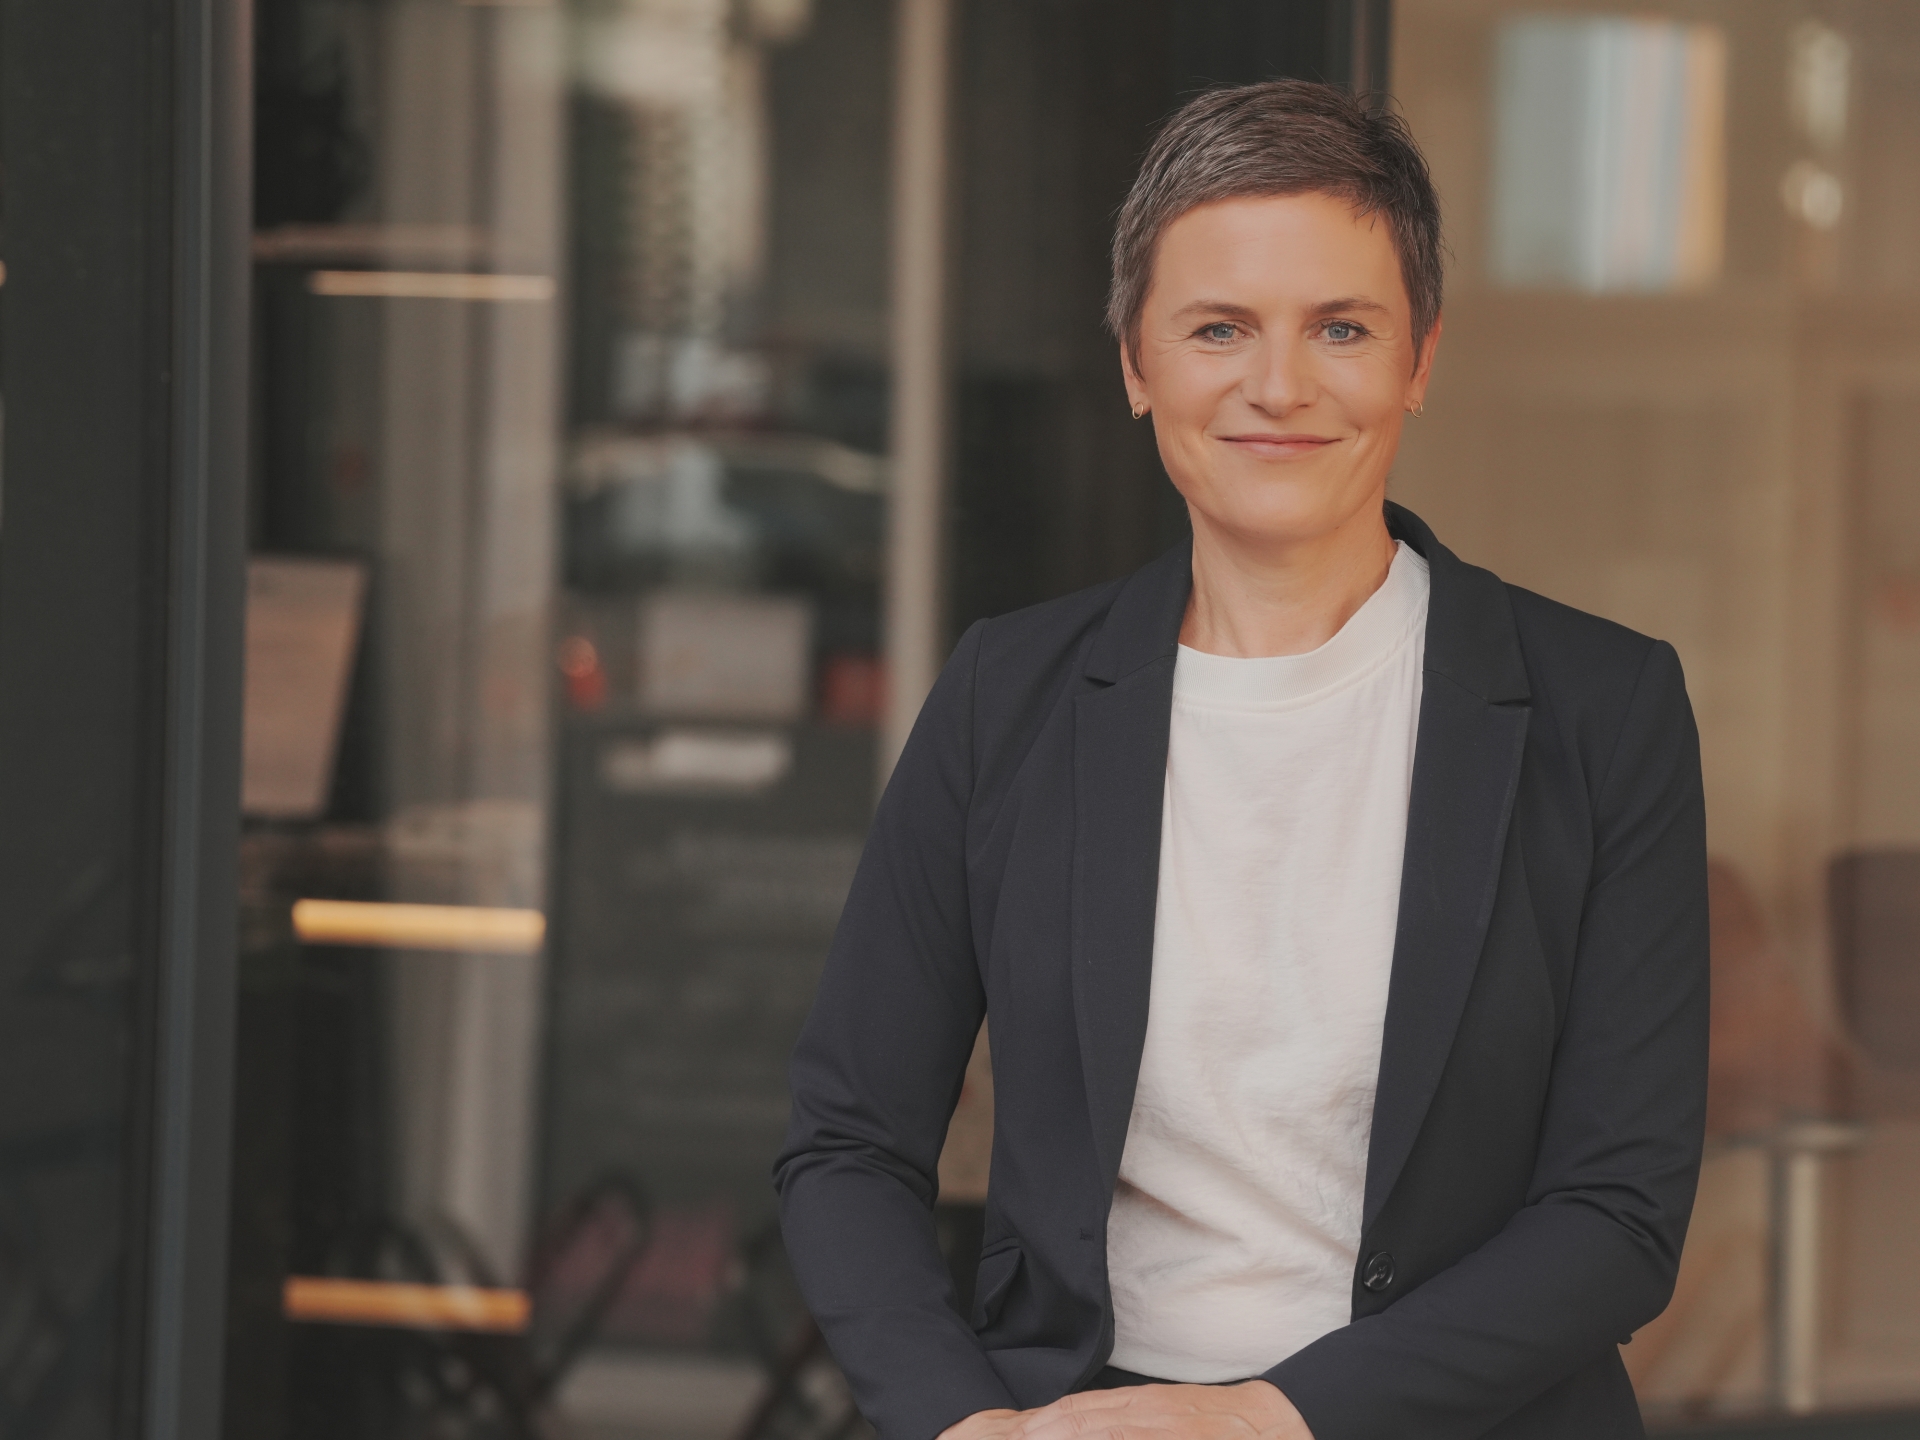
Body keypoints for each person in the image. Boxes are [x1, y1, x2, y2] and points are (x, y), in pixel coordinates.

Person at [774, 80, 1708, 1440]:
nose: (1280, 385)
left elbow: (1618, 1212)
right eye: (1219, 328)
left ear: (1420, 358)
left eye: (1342, 326)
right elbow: (847, 1144)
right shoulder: (1004, 697)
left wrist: (1267, 1420)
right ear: (1137, 363)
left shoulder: (1602, 707)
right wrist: (966, 1428)